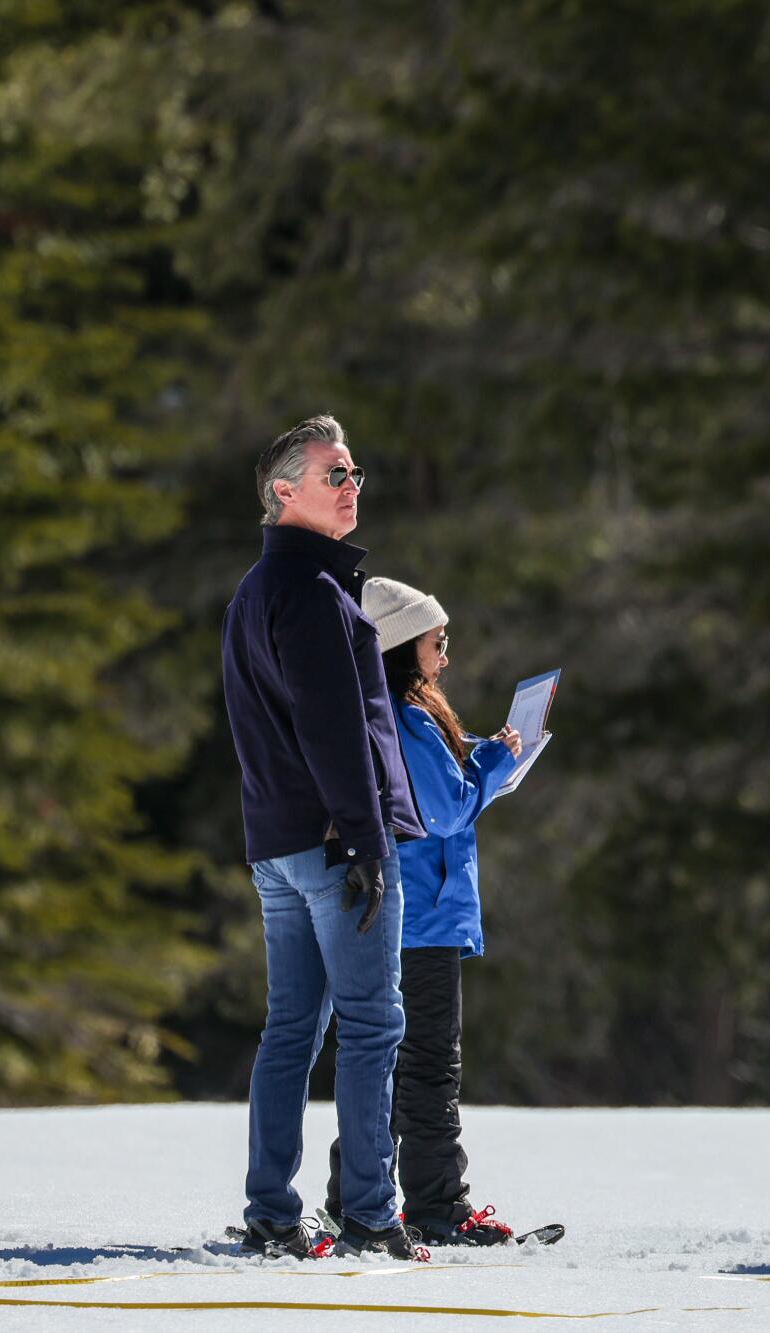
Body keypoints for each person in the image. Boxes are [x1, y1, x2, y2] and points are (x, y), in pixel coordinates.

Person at [220, 414, 425, 1261]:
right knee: (373, 1024)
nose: (353, 486)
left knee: (292, 1029)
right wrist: (369, 841)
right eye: (334, 474)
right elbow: (333, 730)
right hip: (336, 846)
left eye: (355, 472)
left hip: (280, 844)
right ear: (284, 492)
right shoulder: (310, 593)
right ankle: (372, 1212)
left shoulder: (255, 591)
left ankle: (272, 1209)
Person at [322, 576, 524, 1246]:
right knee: (428, 1064)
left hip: (404, 909)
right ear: (407, 645)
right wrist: (495, 761)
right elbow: (445, 809)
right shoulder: (408, 717)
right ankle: (437, 1203)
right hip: (422, 915)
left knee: (387, 1061)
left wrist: (478, 759)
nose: (446, 655)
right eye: (439, 642)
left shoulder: (385, 709)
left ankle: (352, 1195)